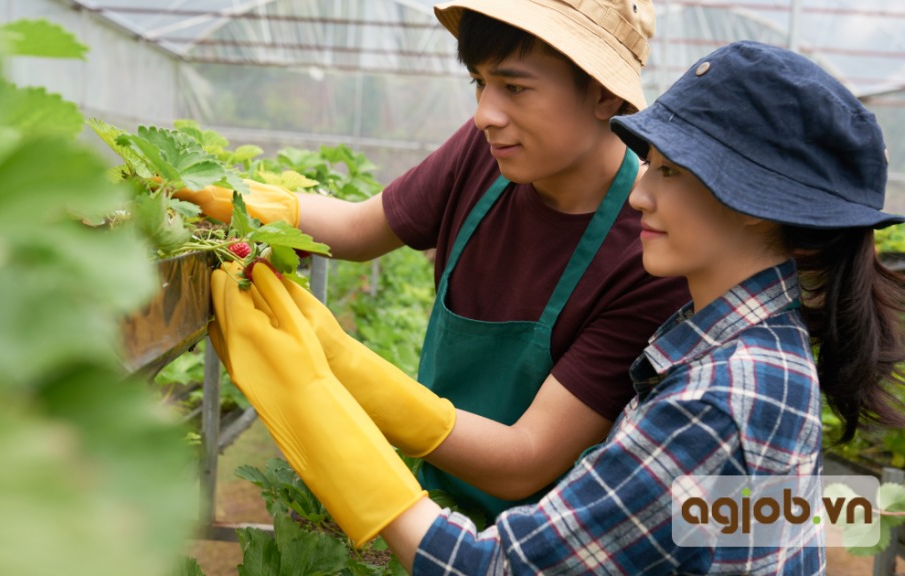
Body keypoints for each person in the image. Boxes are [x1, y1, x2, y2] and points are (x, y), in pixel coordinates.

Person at [209, 41, 905, 574]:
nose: (640, 195)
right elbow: (722, 528)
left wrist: (313, 397)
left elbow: (487, 566)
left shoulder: (721, 395)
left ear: (759, 209)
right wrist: (335, 361)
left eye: (669, 173)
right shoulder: (744, 351)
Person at [178, 0, 689, 521]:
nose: (484, 114)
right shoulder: (487, 152)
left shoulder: (650, 250)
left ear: (604, 93)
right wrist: (228, 197)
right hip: (434, 498)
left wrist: (340, 362)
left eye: (514, 87)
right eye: (479, 82)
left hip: (542, 540)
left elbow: (525, 459)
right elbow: (358, 230)